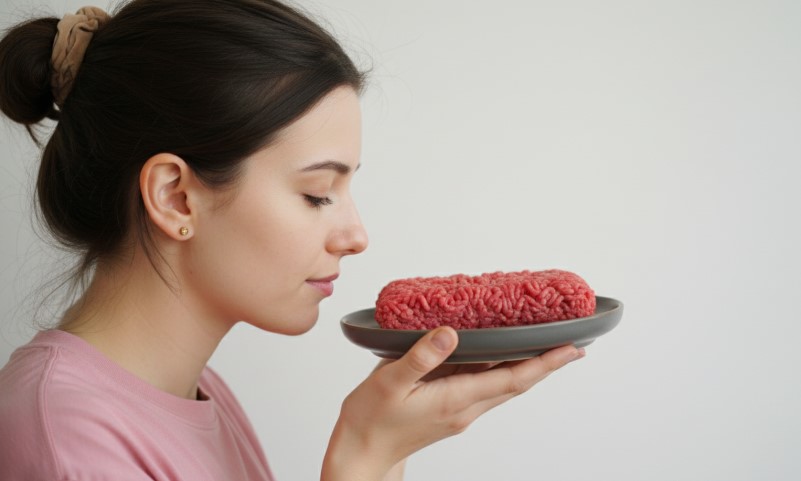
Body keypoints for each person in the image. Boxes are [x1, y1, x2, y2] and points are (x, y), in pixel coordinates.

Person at [0, 1, 585, 479]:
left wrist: (389, 448)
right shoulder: (65, 436)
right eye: (316, 194)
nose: (357, 237)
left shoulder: (203, 392)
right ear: (176, 197)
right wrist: (363, 457)